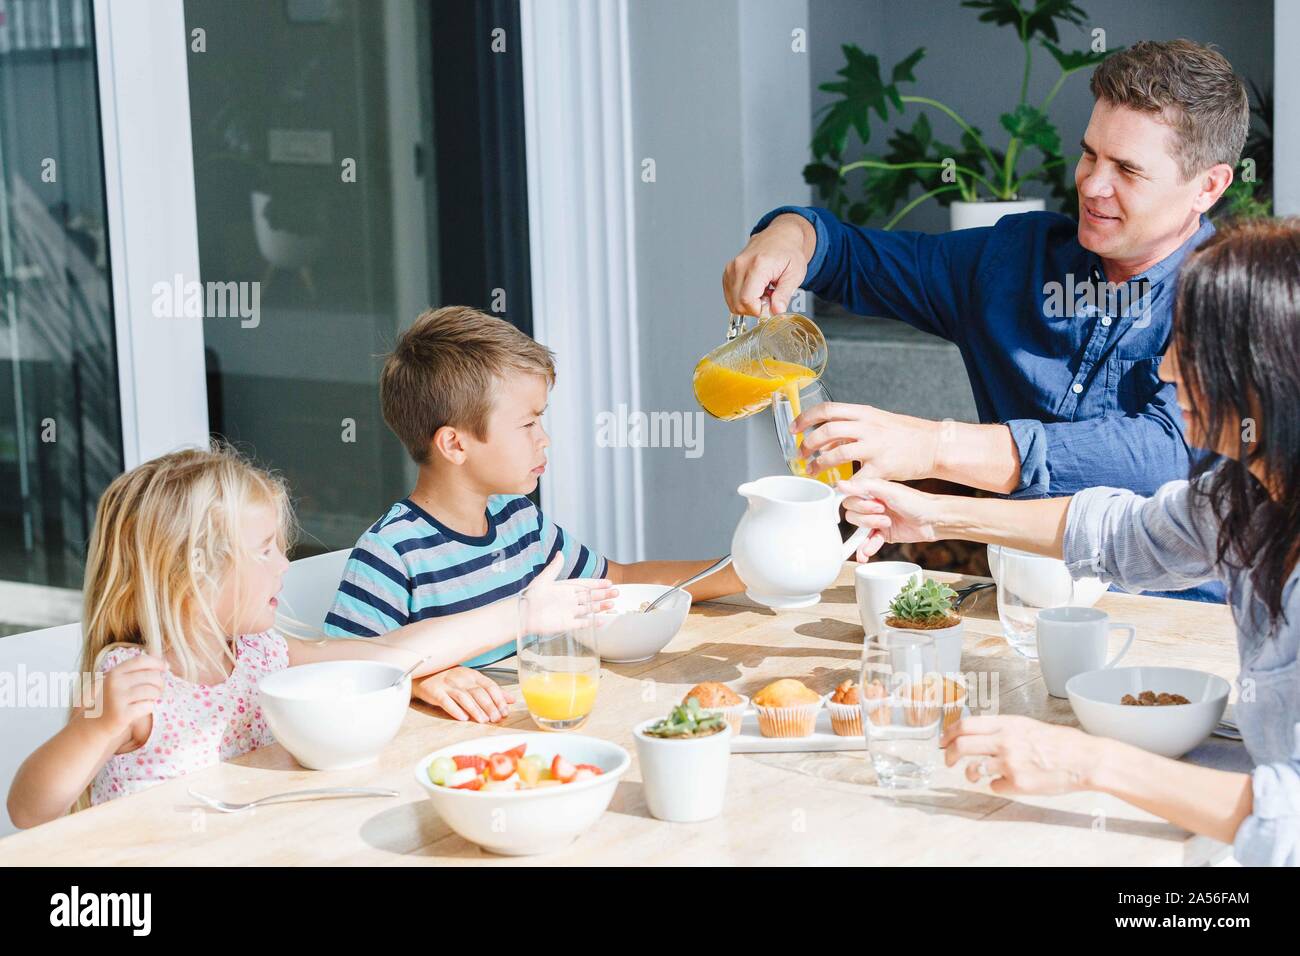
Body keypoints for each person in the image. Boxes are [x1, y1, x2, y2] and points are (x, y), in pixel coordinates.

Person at [839, 218, 1300, 866]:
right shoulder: (1247, 495)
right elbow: (1124, 534)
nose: (1164, 367)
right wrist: (936, 516)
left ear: (1264, 375)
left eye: (1190, 348)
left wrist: (1086, 761)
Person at [723, 39, 1249, 601]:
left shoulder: (1236, 299)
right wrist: (790, 236)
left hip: (1180, 632)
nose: (1093, 184)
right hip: (1022, 612)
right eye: (1091, 154)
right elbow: (850, 257)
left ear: (1208, 186)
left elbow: (1164, 458)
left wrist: (934, 446)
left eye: (1127, 169)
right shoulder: (1011, 262)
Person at [5, 446, 614, 828]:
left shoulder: (260, 654)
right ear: (194, 572)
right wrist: (95, 729)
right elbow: (30, 811)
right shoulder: (131, 679)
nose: (282, 565)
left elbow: (392, 652)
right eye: (265, 550)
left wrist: (522, 613)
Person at [324, 305, 744, 721]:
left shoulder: (519, 521)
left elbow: (617, 582)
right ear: (454, 445)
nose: (545, 439)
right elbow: (340, 673)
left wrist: (741, 571)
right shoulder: (392, 554)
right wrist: (419, 680)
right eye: (528, 425)